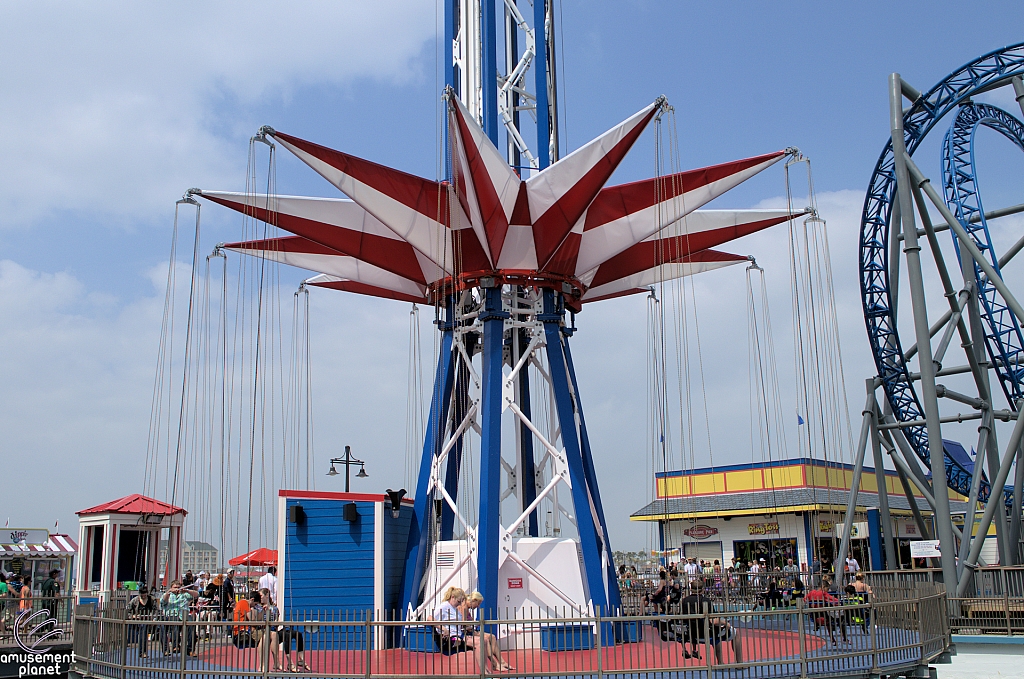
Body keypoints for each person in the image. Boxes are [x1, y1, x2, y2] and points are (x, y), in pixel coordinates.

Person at [679, 582, 743, 664]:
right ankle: (737, 662)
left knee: (715, 633)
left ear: (691, 589)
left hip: (691, 634)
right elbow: (713, 620)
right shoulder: (705, 600)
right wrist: (725, 623)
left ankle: (721, 662)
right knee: (733, 633)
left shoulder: (684, 601)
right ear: (702, 590)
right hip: (705, 633)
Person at [462, 592, 514, 671]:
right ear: (474, 600)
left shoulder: (467, 609)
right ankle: (495, 664)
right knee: (485, 639)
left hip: (472, 630)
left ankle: (502, 662)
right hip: (467, 633)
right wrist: (472, 625)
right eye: (478, 603)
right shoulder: (464, 608)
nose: (478, 606)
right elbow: (463, 625)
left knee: (492, 637)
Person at [160, 580, 196, 656]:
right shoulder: (168, 595)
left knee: (192, 625)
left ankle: (190, 649)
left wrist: (186, 590)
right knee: (174, 622)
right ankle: (175, 645)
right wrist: (169, 592)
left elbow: (196, 595)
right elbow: (163, 601)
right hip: (172, 614)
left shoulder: (184, 594)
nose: (177, 589)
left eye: (178, 587)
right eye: (175, 587)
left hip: (184, 614)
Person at [805, 580, 847, 645]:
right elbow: (833, 599)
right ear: (823, 587)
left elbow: (805, 599)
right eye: (827, 588)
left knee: (829, 621)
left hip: (814, 616)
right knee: (838, 619)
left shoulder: (811, 592)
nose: (828, 590)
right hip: (823, 615)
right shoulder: (823, 593)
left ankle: (832, 639)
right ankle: (843, 637)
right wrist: (840, 602)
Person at [434, 587, 469, 656]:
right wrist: (443, 628)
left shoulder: (455, 608)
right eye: (458, 601)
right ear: (452, 597)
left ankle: (494, 664)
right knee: (479, 643)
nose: (459, 604)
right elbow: (430, 618)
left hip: (459, 634)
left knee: (485, 641)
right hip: (450, 636)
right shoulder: (444, 606)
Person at [127, 585, 157, 658]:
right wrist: (133, 616)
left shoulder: (152, 599)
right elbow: (128, 609)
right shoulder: (135, 600)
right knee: (142, 633)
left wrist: (154, 619)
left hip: (148, 619)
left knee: (145, 633)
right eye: (141, 594)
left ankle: (143, 652)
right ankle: (142, 652)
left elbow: (156, 610)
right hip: (139, 620)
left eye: (145, 593)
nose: (143, 595)